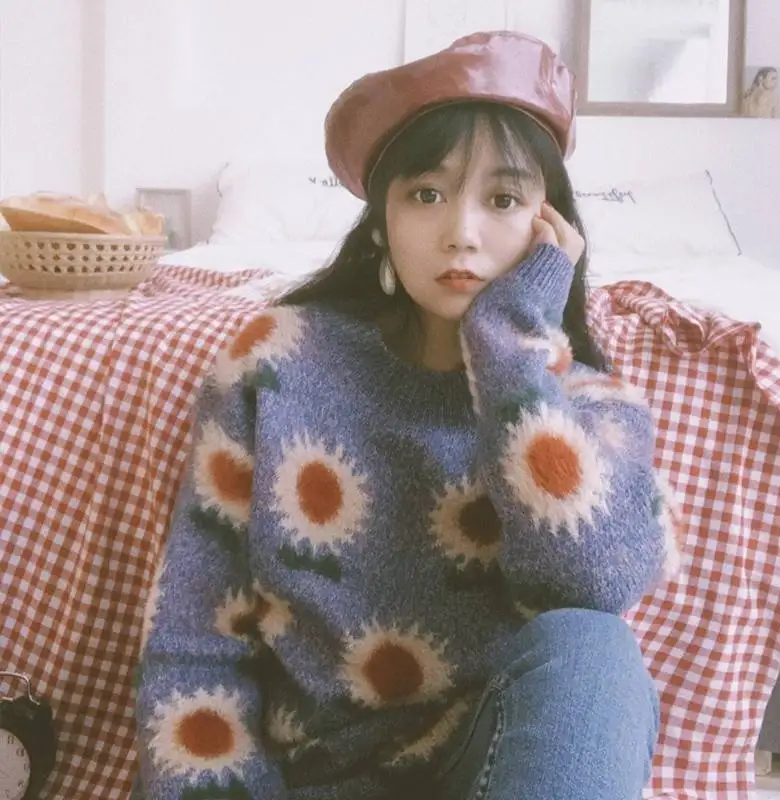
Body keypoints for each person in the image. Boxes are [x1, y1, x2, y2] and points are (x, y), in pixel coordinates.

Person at [133, 31, 682, 800]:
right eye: (426, 194)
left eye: (502, 200)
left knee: (595, 652)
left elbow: (593, 584)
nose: (461, 232)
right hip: (310, 781)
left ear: (548, 224)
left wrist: (510, 347)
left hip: (494, 774)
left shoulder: (590, 405)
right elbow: (195, 638)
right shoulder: (278, 361)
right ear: (382, 219)